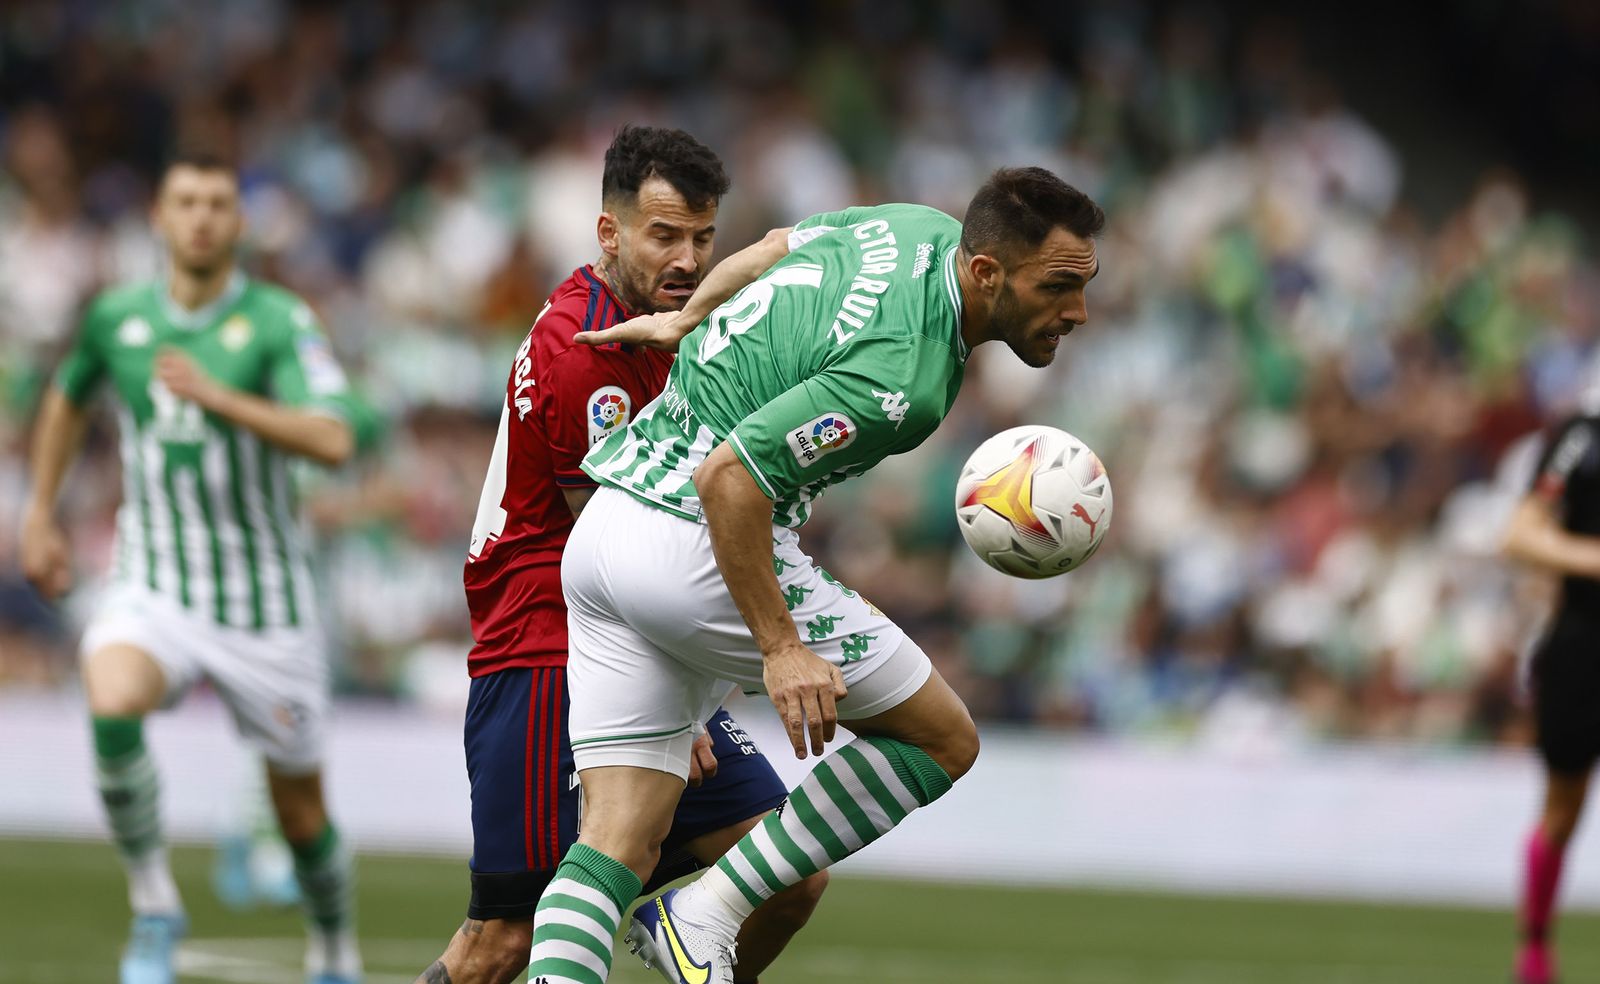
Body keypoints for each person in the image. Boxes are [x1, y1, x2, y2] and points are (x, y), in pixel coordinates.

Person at [523, 166, 1103, 984]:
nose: (1077, 311)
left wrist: (689, 318)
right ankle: (706, 913)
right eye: (1059, 287)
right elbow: (729, 480)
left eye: (1085, 286)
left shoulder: (912, 225)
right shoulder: (909, 377)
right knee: (940, 739)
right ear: (986, 272)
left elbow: (764, 251)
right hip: (690, 541)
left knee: (613, 843)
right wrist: (780, 646)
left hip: (606, 533)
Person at [418, 125, 826, 984]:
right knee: (502, 942)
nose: (687, 259)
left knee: (785, 873)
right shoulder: (589, 353)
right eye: (664, 235)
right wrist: (669, 706)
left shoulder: (664, 325)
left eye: (703, 238)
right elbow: (615, 544)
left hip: (620, 622)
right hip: (545, 649)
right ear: (610, 234)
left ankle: (686, 942)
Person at [19, 151, 374, 984]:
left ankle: (333, 952)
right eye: (186, 201)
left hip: (266, 605)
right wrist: (40, 512)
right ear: (159, 216)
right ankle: (154, 906)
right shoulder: (118, 317)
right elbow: (68, 397)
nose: (203, 216)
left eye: (218, 203)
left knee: (301, 816)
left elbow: (333, 438)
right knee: (109, 697)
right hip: (156, 582)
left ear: (239, 224)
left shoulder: (281, 321)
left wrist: (223, 399)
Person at [1502, 385, 1600, 984]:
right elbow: (1519, 533)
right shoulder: (1583, 437)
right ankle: (1535, 949)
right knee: (1562, 809)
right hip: (1585, 645)